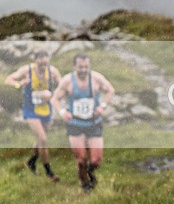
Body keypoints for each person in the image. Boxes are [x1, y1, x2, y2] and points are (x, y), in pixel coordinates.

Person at [51, 54, 115, 192]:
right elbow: (55, 98)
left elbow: (110, 91)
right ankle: (85, 184)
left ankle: (91, 173)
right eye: (80, 67)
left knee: (96, 160)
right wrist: (62, 112)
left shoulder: (96, 78)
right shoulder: (67, 81)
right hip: (75, 124)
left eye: (86, 67)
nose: (84, 70)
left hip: (93, 123)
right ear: (74, 66)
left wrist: (102, 106)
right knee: (81, 160)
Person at [4, 50, 62, 181]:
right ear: (35, 61)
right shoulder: (27, 70)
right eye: (40, 64)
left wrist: (52, 95)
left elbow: (62, 86)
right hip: (30, 109)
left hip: (46, 108)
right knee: (43, 139)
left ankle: (32, 161)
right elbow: (8, 79)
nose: (43, 66)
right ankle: (49, 173)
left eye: (45, 64)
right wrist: (19, 84)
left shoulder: (53, 71)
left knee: (41, 139)